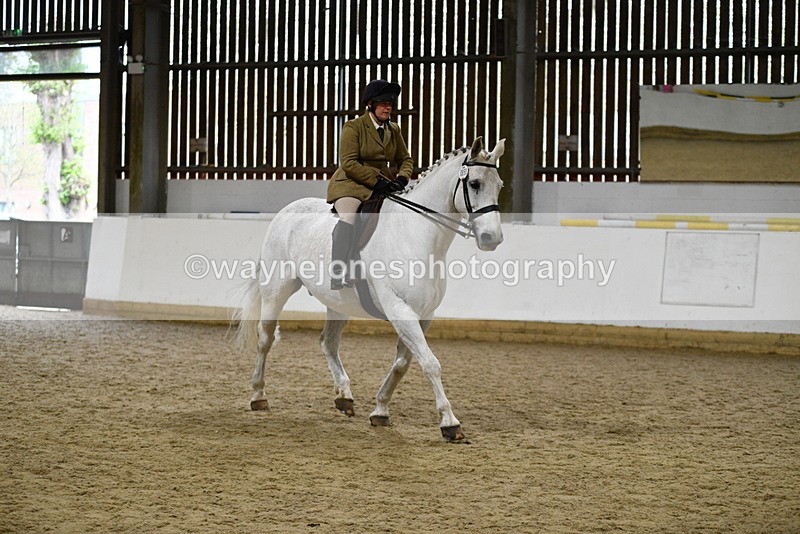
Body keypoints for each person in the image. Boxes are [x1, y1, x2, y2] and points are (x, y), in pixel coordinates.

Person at [326, 79, 414, 290]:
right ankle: (338, 271)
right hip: (351, 184)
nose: (388, 107)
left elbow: (406, 159)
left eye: (390, 104)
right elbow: (348, 163)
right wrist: (376, 181)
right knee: (349, 217)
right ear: (371, 105)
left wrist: (402, 178)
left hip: (381, 184)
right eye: (383, 103)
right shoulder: (353, 127)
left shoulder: (394, 130)